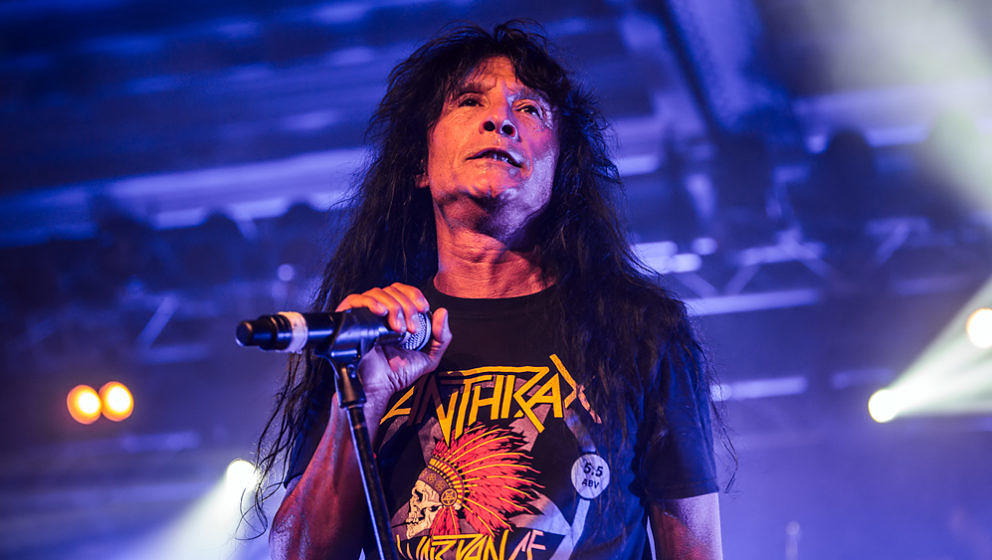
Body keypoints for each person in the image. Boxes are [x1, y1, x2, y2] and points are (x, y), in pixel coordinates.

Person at [255, 21, 724, 560]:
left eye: (530, 109)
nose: (499, 120)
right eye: (469, 101)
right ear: (420, 165)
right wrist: (362, 397)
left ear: (560, 171)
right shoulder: (366, 338)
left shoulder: (641, 331)